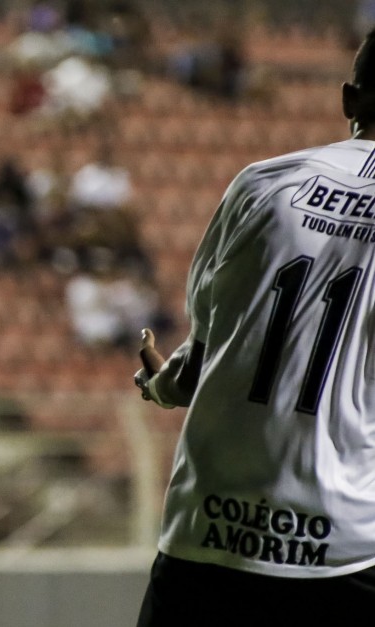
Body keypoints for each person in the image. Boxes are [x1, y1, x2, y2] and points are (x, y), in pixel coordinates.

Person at [133, 27, 375, 627]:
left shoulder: (262, 184)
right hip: (344, 555)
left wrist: (165, 385)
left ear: (348, 99)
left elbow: (202, 354)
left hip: (205, 542)